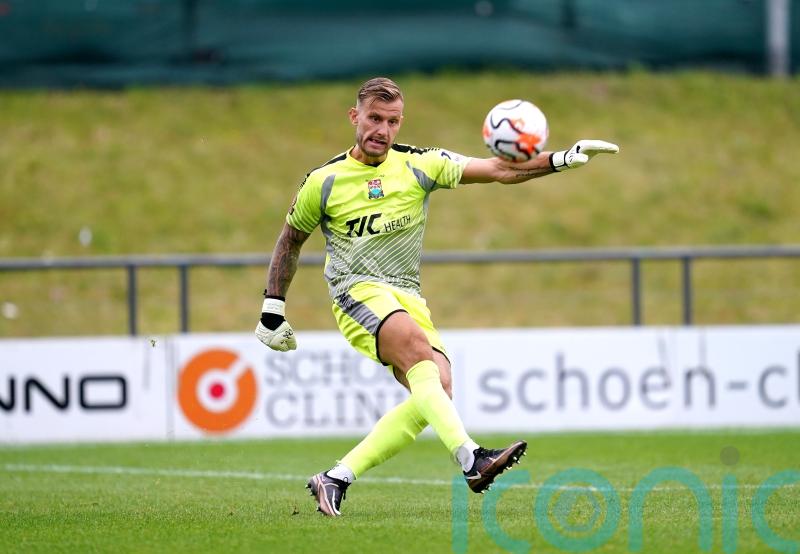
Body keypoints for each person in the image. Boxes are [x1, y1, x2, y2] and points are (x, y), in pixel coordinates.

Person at [255, 77, 618, 516]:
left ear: (400, 123)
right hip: (356, 291)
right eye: (374, 118)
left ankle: (335, 478)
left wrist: (560, 159)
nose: (382, 130)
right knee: (415, 351)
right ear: (355, 117)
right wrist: (272, 308)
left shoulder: (421, 165)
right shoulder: (324, 180)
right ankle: (472, 459)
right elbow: (290, 239)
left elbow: (500, 169)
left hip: (408, 294)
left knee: (438, 387)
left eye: (391, 121)